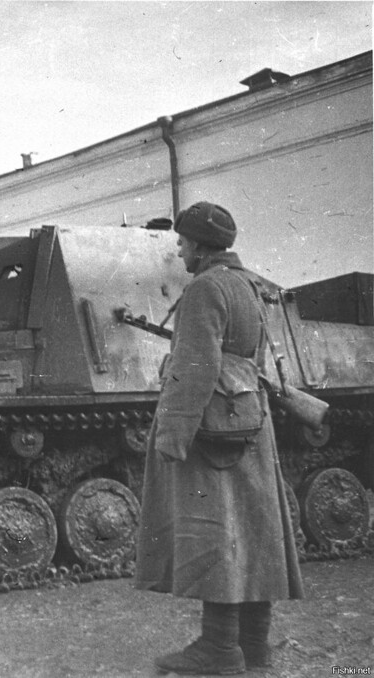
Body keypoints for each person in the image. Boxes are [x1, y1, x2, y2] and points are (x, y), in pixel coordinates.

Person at [134, 202, 304, 675]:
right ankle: (253, 645)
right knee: (252, 530)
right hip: (249, 423)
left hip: (211, 430)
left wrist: (172, 435)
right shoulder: (247, 284)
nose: (179, 250)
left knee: (213, 531)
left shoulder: (206, 287)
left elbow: (195, 366)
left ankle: (218, 648)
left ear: (200, 246)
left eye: (183, 242)